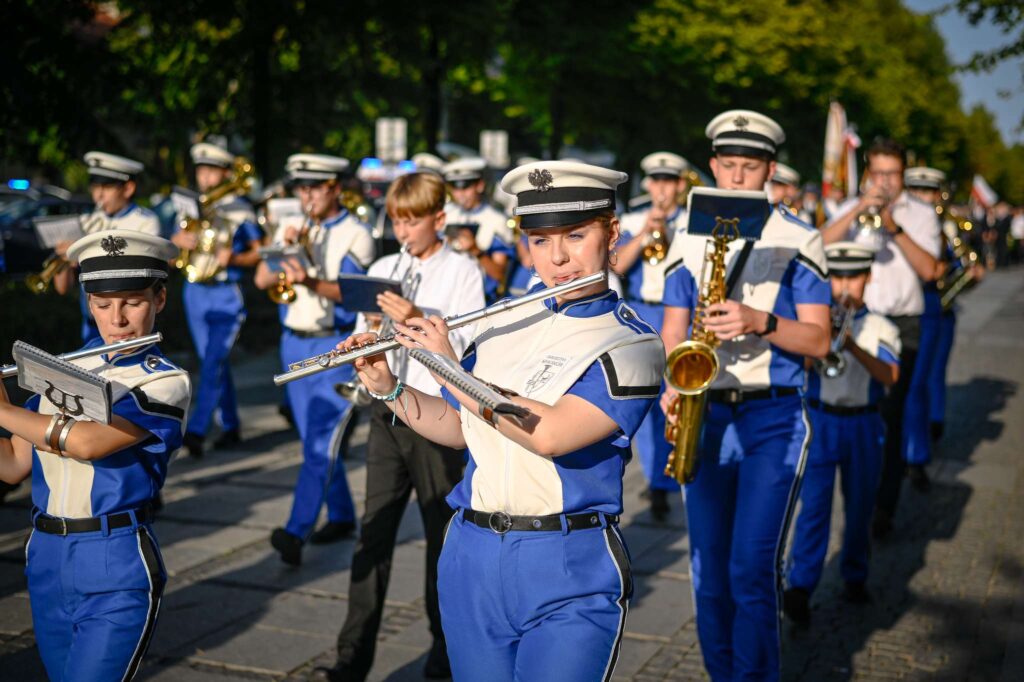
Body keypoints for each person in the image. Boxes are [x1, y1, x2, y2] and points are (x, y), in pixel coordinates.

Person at [325, 161, 664, 681]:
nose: (558, 258)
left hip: (565, 563)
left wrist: (446, 365)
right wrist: (387, 386)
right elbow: (460, 427)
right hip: (471, 555)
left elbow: (549, 434)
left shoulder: (632, 343)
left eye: (576, 234)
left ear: (611, 232)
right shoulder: (504, 318)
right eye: (539, 239)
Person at [660, 109, 831, 681]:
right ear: (712, 165)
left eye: (749, 166)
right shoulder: (687, 235)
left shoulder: (799, 238)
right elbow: (672, 328)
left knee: (750, 570)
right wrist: (670, 383)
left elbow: (820, 338)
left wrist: (762, 320)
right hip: (706, 413)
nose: (736, 178)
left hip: (773, 416)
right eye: (727, 165)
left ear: (770, 168)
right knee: (707, 573)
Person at [313, 171, 484, 681]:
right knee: (374, 533)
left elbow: (467, 340)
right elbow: (359, 327)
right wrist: (362, 339)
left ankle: (444, 654)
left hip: (436, 416)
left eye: (414, 221)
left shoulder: (463, 270)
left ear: (439, 219)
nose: (404, 231)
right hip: (386, 412)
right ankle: (351, 659)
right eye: (397, 220)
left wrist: (415, 315)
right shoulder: (386, 265)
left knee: (441, 538)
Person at [0, 229, 190, 681]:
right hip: (45, 555)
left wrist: (3, 410)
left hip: (115, 560)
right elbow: (13, 465)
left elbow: (85, 442)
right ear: (89, 304)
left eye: (133, 302)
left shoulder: (165, 380)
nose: (118, 320)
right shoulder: (61, 368)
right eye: (103, 305)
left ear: (160, 299)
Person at [253, 153, 375, 564]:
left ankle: (295, 531)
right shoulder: (297, 228)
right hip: (294, 340)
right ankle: (341, 515)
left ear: (335, 188)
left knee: (320, 442)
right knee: (314, 440)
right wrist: (284, 248)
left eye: (314, 187)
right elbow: (261, 280)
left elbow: (351, 293)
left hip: (333, 342)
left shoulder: (357, 233)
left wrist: (309, 278)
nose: (305, 195)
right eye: (300, 188)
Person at [821, 139, 941, 536]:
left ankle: (882, 507)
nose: (886, 182)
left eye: (893, 174)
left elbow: (930, 271)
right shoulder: (852, 209)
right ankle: (853, 496)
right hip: (854, 318)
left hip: (902, 322)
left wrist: (896, 229)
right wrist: (858, 208)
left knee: (890, 414)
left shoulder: (921, 213)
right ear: (869, 173)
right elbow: (817, 248)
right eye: (879, 173)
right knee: (849, 408)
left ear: (903, 174)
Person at [783, 241, 901, 623]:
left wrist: (850, 344)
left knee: (860, 505)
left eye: (855, 277)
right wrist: (822, 339)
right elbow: (798, 365)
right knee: (813, 507)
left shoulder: (882, 326)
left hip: (864, 422)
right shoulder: (816, 324)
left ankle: (854, 575)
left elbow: (890, 376)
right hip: (820, 421)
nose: (846, 287)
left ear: (868, 278)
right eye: (838, 277)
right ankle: (800, 585)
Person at [171, 141, 263, 458]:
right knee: (215, 364)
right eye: (201, 170)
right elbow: (174, 254)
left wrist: (234, 258)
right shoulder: (188, 206)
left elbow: (259, 254)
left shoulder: (241, 208)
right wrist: (176, 243)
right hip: (195, 291)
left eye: (212, 170)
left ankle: (197, 430)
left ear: (226, 173)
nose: (205, 177)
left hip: (225, 293)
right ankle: (232, 425)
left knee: (211, 364)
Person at [614, 151, 691, 520]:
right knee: (645, 398)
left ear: (679, 185)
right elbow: (616, 264)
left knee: (675, 393)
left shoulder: (692, 222)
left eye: (668, 182)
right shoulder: (632, 219)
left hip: (678, 312)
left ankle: (673, 467)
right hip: (641, 310)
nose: (661, 189)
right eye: (655, 182)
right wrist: (647, 230)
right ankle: (655, 480)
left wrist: (671, 231)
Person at [53, 152, 161, 343]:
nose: (98, 195)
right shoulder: (87, 222)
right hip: (92, 322)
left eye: (107, 187)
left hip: (130, 323)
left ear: (128, 188)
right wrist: (62, 260)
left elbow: (139, 276)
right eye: (95, 187)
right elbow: (62, 288)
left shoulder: (145, 222)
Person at [904, 167, 954, 443]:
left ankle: (918, 450)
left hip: (932, 305)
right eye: (916, 191)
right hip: (898, 305)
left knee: (923, 378)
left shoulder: (946, 227)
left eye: (928, 191)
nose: (922, 196)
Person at [442, 157, 516, 299]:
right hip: (448, 294)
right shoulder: (446, 215)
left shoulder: (496, 220)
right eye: (455, 187)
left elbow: (499, 274)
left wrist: (475, 250)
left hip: (481, 299)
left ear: (480, 186)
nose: (460, 194)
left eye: (466, 186)